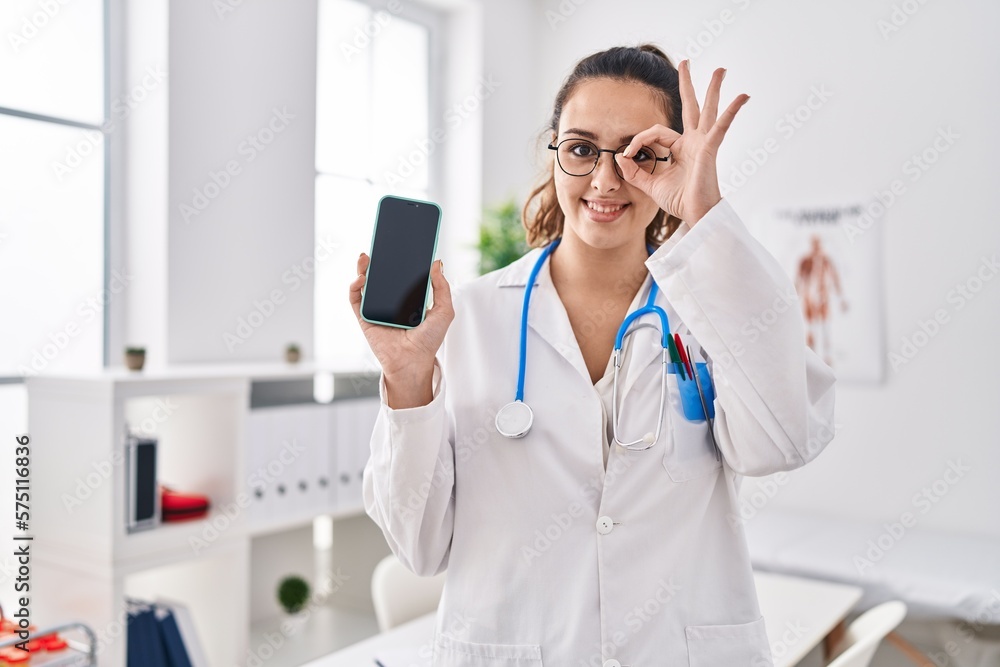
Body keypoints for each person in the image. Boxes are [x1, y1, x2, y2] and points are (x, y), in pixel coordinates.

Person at [350, 44, 836, 667]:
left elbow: (781, 442)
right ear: (554, 153)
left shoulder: (713, 305)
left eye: (640, 155)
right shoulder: (466, 318)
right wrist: (407, 375)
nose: (606, 181)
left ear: (673, 160)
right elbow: (420, 547)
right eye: (581, 149)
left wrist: (706, 216)